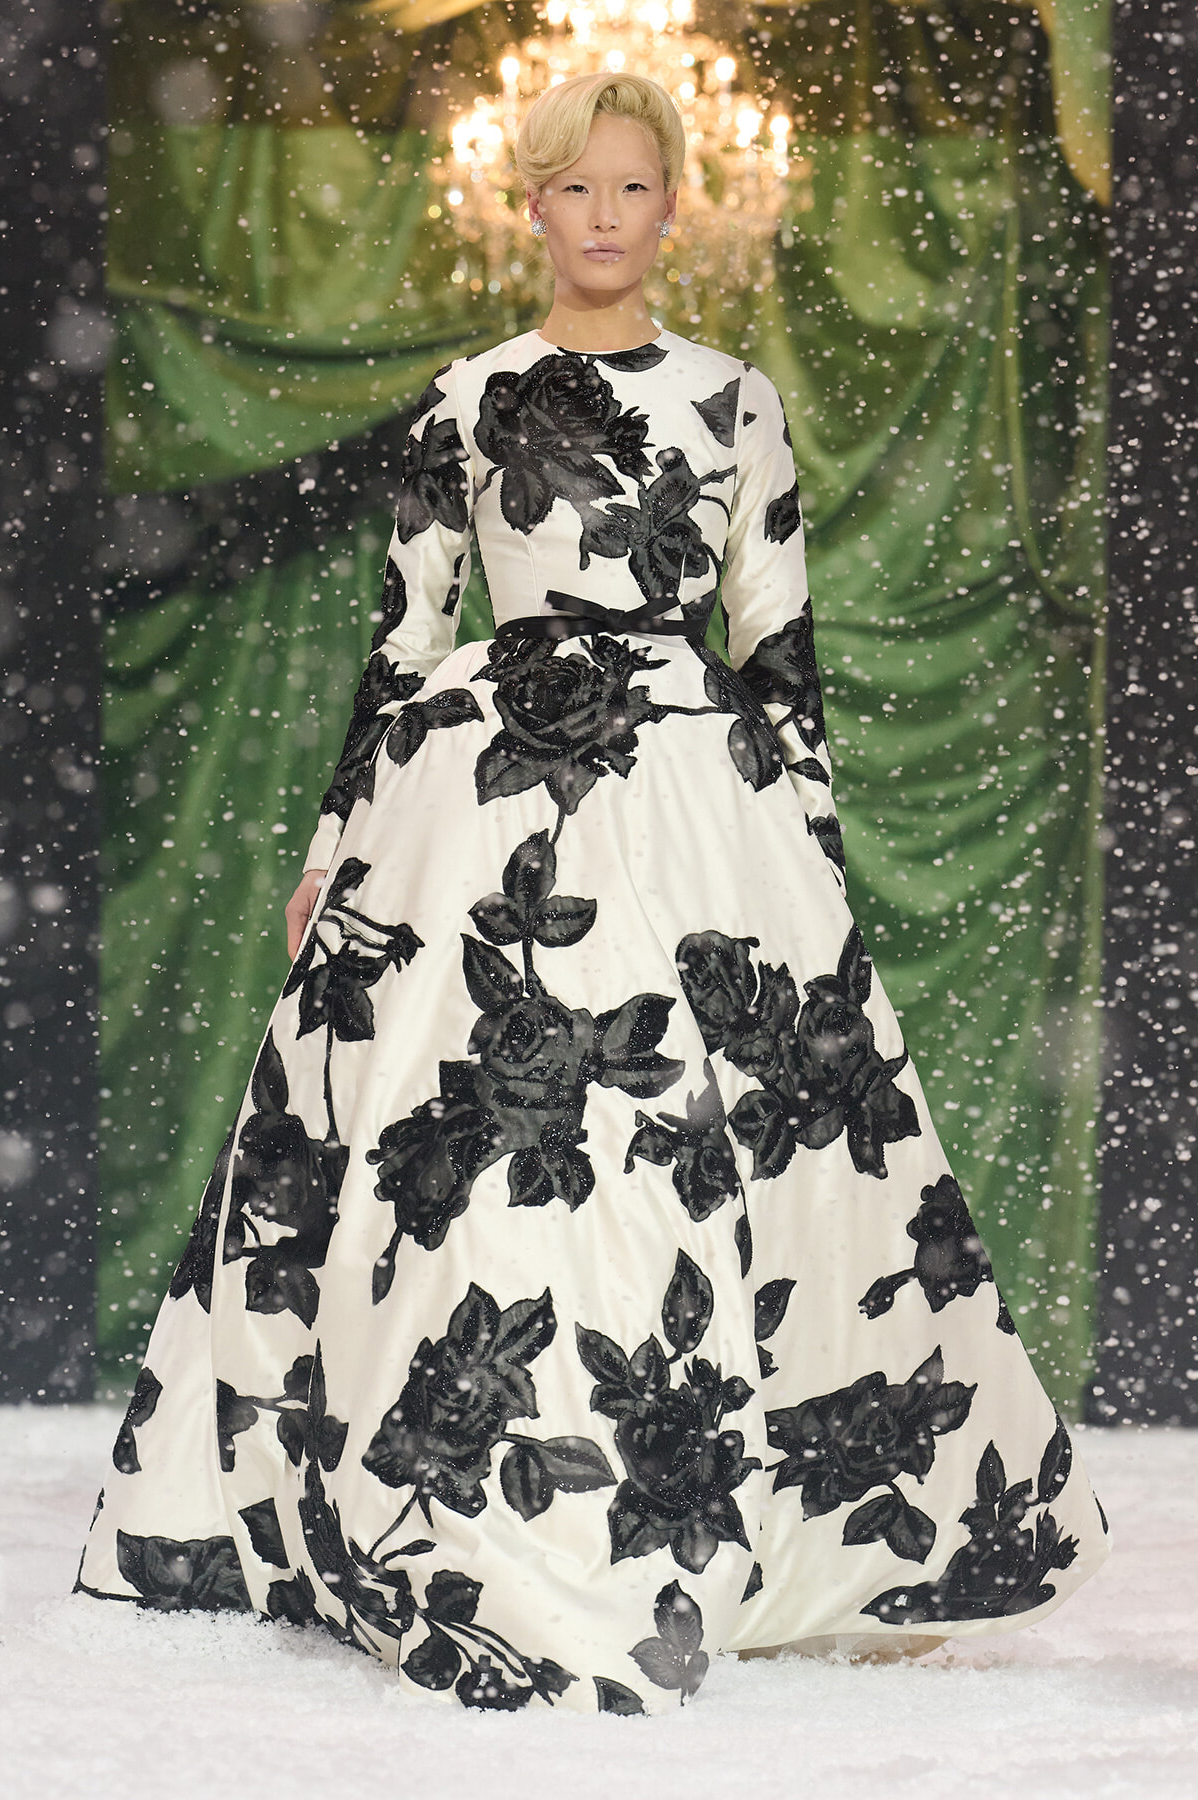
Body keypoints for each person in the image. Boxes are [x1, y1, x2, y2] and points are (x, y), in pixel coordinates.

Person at [77, 72, 1109, 1714]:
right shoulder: (465, 401)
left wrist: (810, 838)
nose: (609, 216)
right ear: (534, 208)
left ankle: (761, 1525)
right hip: (482, 791)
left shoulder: (733, 401)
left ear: (673, 207)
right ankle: (462, 1498)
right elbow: (407, 638)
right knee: (482, 1134)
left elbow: (774, 630)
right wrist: (335, 841)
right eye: (579, 190)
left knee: (722, 1133)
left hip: (702, 793)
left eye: (636, 188)